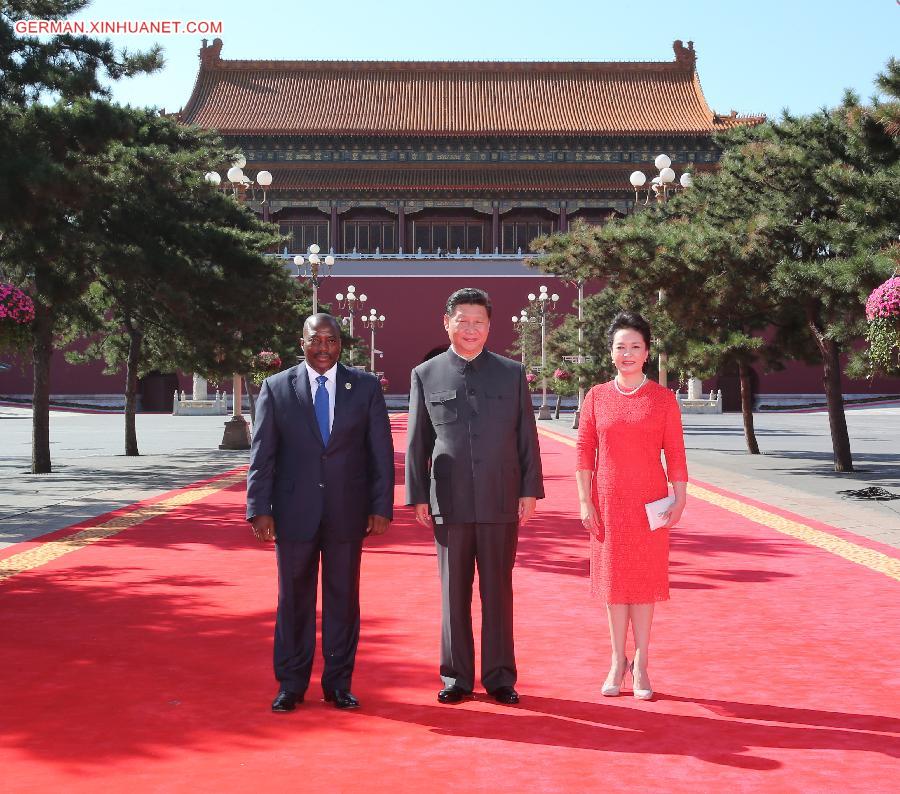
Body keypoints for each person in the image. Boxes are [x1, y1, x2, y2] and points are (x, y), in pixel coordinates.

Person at [246, 313, 394, 713]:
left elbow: (380, 451)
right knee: (293, 599)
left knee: (343, 600)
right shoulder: (276, 388)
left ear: (341, 344)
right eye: (316, 340)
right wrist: (259, 508)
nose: (323, 348)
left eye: (331, 340)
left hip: (348, 512)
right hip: (294, 512)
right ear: (302, 342)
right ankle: (291, 684)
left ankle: (338, 683)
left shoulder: (363, 387)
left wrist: (381, 506)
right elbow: (262, 455)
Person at [406, 287, 544, 706]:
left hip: (501, 497)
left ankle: (500, 676)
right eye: (462, 321)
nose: (471, 329)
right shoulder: (426, 374)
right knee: (454, 592)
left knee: (498, 591)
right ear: (445, 323)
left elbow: (526, 436)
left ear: (490, 327)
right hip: (450, 499)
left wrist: (529, 490)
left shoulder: (510, 373)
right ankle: (456, 676)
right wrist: (417, 496)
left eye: (478, 322)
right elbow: (417, 442)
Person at [574, 311, 687, 701]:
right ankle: (616, 660)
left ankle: (642, 662)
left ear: (647, 352)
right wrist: (585, 501)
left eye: (635, 347)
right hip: (608, 501)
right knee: (613, 586)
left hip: (649, 503)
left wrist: (681, 495)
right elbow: (584, 450)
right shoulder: (597, 397)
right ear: (611, 353)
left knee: (643, 585)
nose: (627, 353)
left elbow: (675, 451)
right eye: (620, 347)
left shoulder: (663, 399)